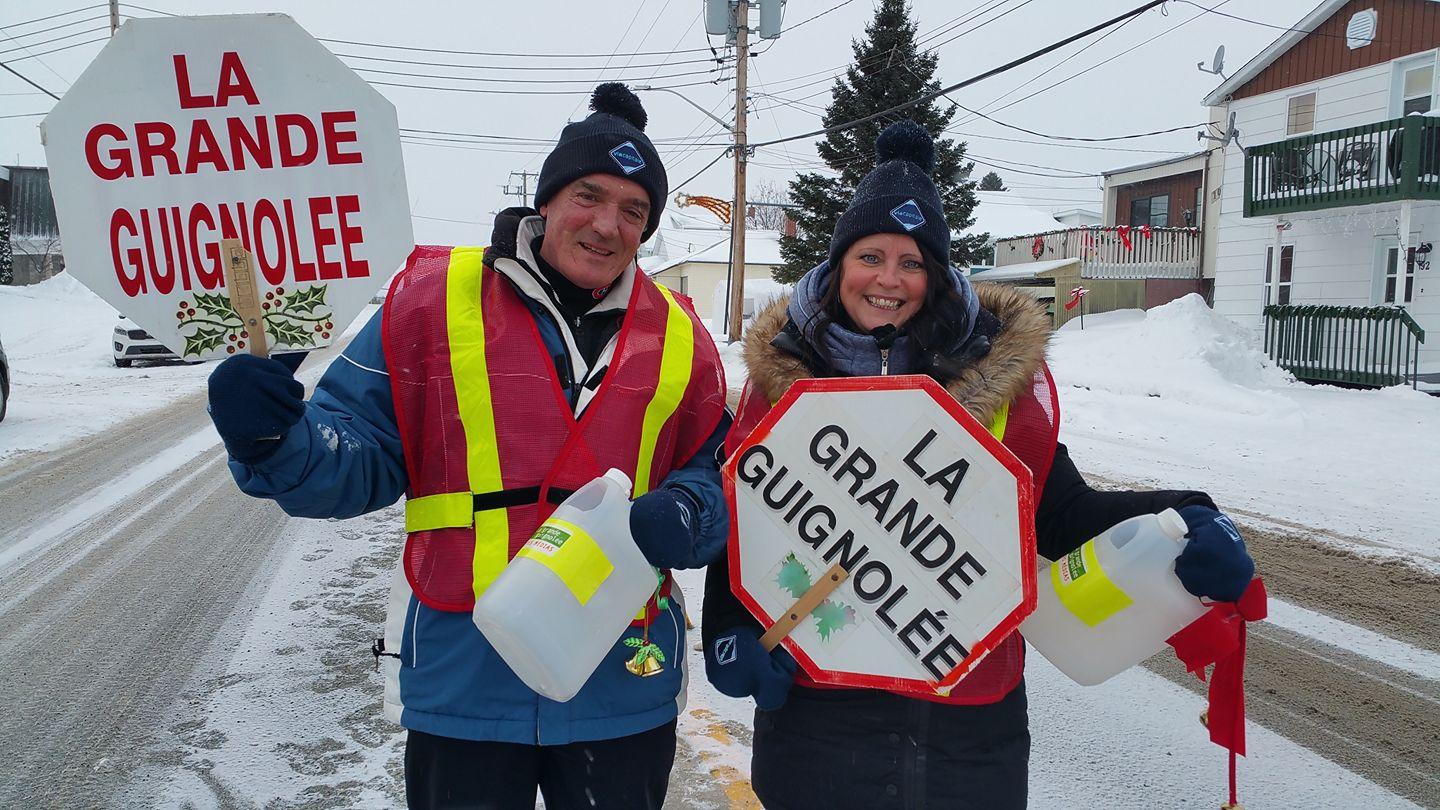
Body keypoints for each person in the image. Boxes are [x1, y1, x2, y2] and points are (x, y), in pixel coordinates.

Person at [701, 120, 1255, 810]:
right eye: (871, 255)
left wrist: (1184, 516)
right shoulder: (782, 380)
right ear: (839, 262)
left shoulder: (1000, 377)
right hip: (819, 713)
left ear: (937, 277)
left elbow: (1059, 517)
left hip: (965, 726)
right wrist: (727, 629)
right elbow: (751, 520)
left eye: (913, 262)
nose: (890, 280)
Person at [206, 83, 732, 810]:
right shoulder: (430, 298)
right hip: (464, 676)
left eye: (633, 210)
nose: (607, 224)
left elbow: (713, 475)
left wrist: (690, 515)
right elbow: (355, 456)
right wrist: (273, 439)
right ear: (546, 199)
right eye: (588, 195)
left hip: (621, 678)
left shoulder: (682, 335)